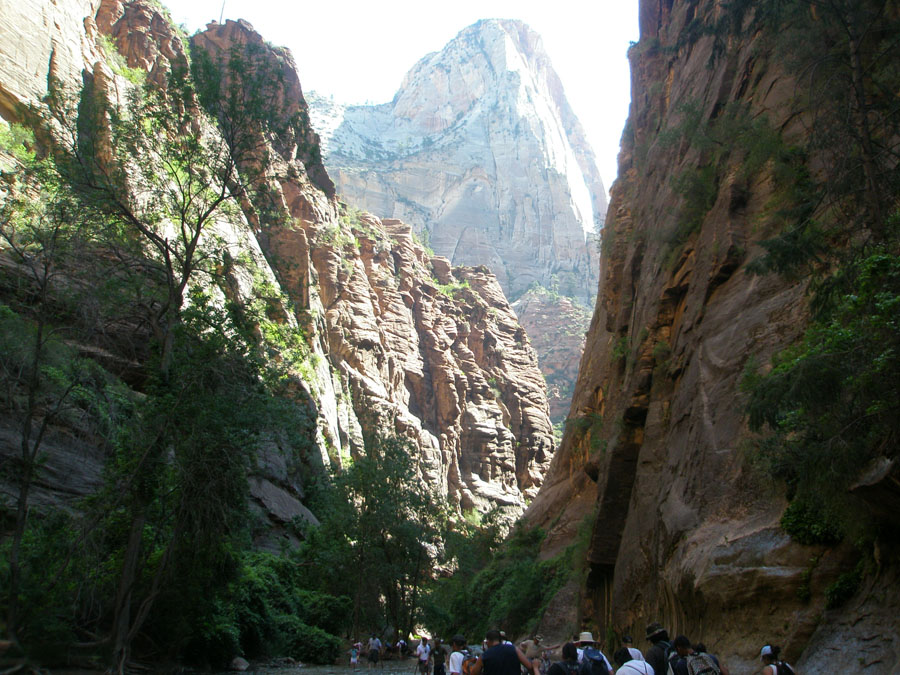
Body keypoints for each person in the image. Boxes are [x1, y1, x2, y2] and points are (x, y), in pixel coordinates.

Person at [470, 629, 539, 675]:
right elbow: (529, 666)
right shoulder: (513, 649)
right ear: (500, 640)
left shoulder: (484, 656)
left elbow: (473, 673)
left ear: (487, 642)